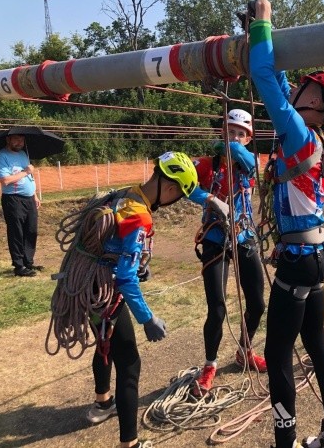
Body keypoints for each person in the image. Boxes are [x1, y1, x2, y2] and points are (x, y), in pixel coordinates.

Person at [249, 1, 324, 448]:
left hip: (298, 260)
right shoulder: (314, 138)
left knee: (277, 355)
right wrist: (260, 34)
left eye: (305, 86)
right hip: (313, 255)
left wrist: (263, 21)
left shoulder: (296, 132)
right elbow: (278, 80)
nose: (297, 89)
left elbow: (263, 73)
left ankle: (286, 442)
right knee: (314, 341)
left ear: (315, 101)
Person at [84, 152, 224, 448]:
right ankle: (130, 443)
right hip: (107, 292)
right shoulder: (139, 216)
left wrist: (135, 263)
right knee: (129, 363)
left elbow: (115, 245)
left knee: (105, 343)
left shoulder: (126, 195)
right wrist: (147, 319)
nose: (175, 200)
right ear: (170, 188)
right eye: (178, 195)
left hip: (88, 286)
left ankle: (102, 402)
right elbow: (125, 277)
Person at [190, 109, 267, 396]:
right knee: (217, 308)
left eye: (240, 134)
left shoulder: (249, 163)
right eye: (229, 132)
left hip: (244, 236)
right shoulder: (207, 165)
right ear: (222, 132)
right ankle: (209, 366)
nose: (234, 137)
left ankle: (244, 350)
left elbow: (249, 162)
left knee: (257, 303)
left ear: (248, 139)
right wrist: (210, 197)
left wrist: (228, 146)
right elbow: (185, 186)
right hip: (214, 238)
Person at [0, 133, 43, 277]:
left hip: (29, 199)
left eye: (22, 139)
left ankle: (28, 262)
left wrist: (34, 195)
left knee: (31, 230)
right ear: (8, 139)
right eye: (16, 139)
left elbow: (30, 177)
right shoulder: (1, 156)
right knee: (16, 232)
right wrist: (26, 171)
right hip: (13, 199)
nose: (20, 142)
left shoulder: (23, 154)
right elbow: (5, 180)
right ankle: (19, 266)